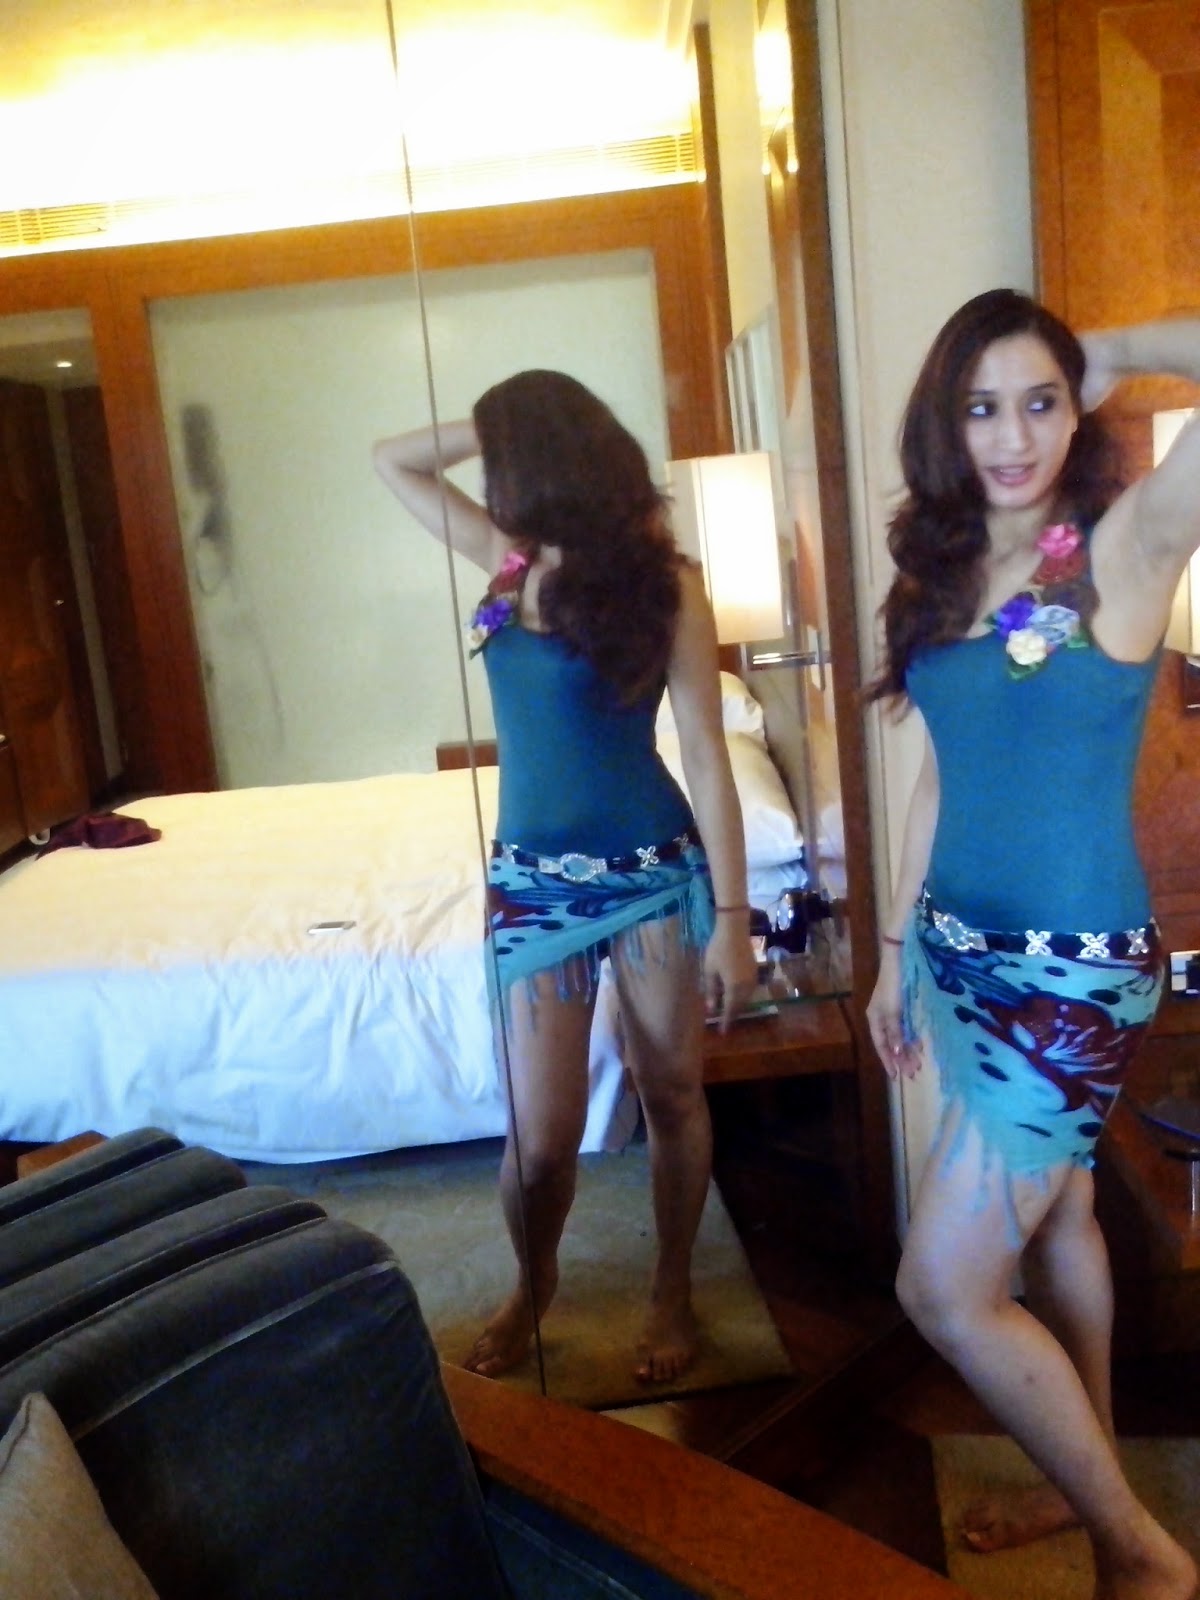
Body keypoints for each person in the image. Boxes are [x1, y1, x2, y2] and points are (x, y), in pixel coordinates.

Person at [865, 288, 1200, 1600]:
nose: (1012, 436)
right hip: (957, 956)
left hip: (1070, 976)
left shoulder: (1125, 545)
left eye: (1041, 400)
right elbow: (939, 770)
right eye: (983, 406)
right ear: (945, 422)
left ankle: (1142, 1555)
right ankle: (1086, 1474)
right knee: (1061, 1211)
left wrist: (1108, 349)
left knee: (944, 1287)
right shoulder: (942, 574)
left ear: (1077, 409)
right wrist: (896, 950)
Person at [373, 370, 758, 1384]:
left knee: (671, 1091)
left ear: (550, 469)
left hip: (654, 872)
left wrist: (734, 918)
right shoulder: (505, 560)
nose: (494, 483)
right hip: (532, 886)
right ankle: (533, 1278)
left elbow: (707, 754)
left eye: (509, 463)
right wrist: (503, 420)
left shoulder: (667, 585)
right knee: (540, 1142)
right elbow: (391, 459)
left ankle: (671, 1286)